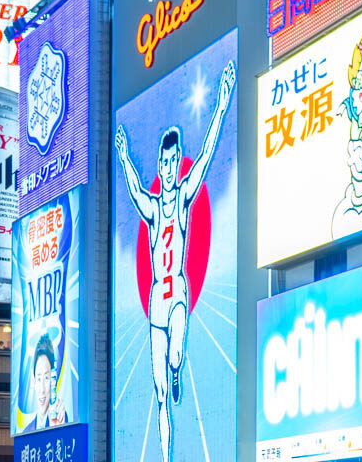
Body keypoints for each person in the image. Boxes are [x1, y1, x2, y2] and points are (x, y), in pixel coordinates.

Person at [114, 61, 234, 462]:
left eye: (172, 162)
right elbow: (132, 189)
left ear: (177, 160)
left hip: (177, 292)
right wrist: (125, 157)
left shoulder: (181, 200)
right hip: (155, 306)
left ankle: (178, 365)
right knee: (161, 394)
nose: (167, 169)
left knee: (176, 355)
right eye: (163, 164)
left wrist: (220, 106)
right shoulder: (152, 207)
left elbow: (207, 154)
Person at [21, 334, 67, 432]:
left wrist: (57, 429)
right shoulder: (27, 431)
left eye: (46, 378)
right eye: (38, 379)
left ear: (53, 379)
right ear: (33, 380)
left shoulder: (62, 419)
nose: (42, 390)